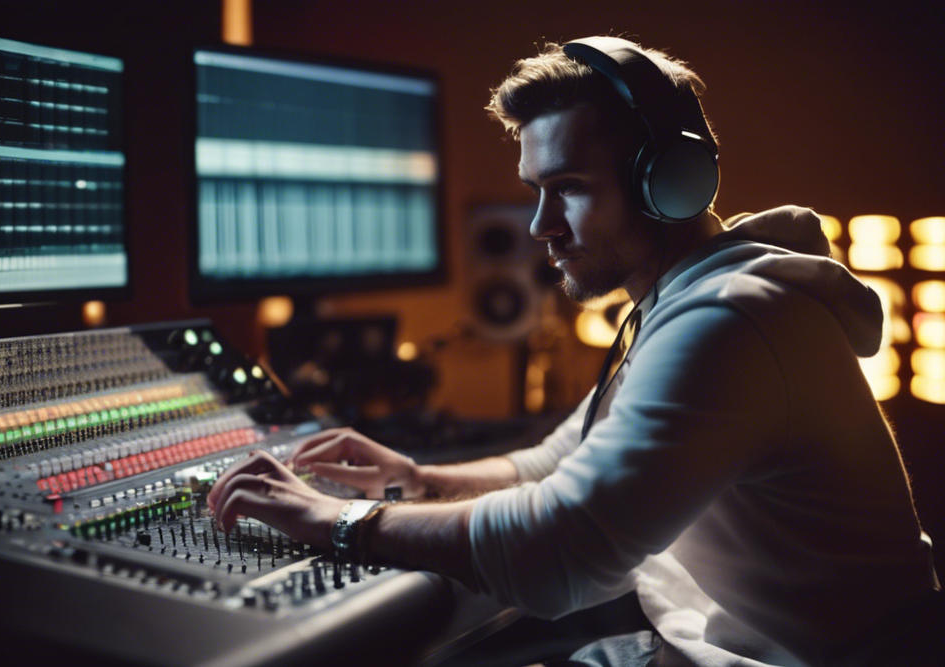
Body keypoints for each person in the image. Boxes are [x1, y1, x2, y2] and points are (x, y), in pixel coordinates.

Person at [207, 36, 941, 665]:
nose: (540, 225)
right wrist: (417, 476)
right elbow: (556, 464)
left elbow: (563, 549)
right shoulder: (688, 301)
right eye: (536, 189)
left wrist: (335, 521)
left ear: (669, 185)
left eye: (569, 189)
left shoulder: (730, 320)